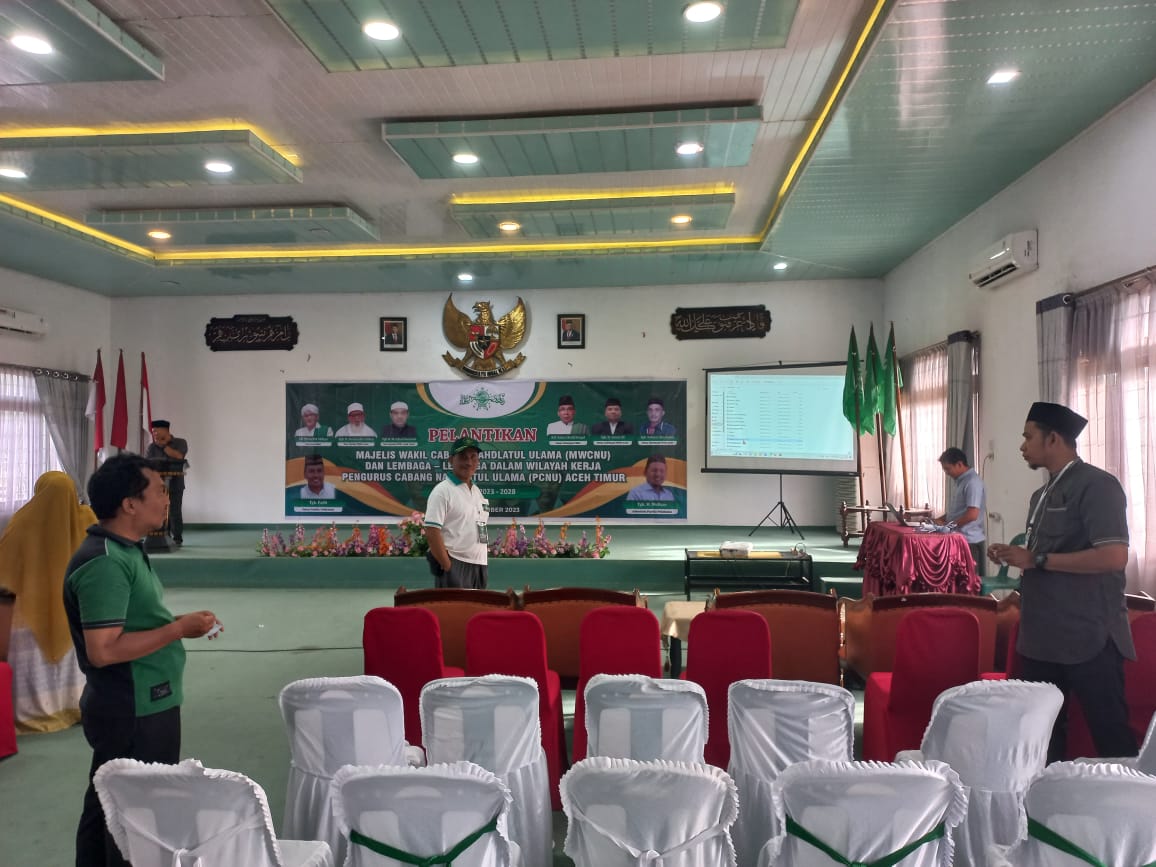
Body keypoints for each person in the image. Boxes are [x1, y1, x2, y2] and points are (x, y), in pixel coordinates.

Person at [64, 453, 220, 866]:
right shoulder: (105, 563)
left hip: (147, 699)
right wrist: (176, 629)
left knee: (110, 804)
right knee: (134, 816)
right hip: (133, 706)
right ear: (129, 504)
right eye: (158, 491)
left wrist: (176, 624)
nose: (167, 500)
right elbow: (104, 650)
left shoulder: (125, 551)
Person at [988, 401, 1137, 763]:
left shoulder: (1098, 485)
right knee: (1040, 739)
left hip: (1088, 638)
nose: (1022, 446)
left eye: (1028, 436)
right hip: (1042, 639)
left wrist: (1037, 559)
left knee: (1111, 738)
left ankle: (1133, 815)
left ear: (1053, 439)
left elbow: (1114, 557)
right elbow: (1043, 559)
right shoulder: (1043, 494)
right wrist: (1016, 556)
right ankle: (1044, 814)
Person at [0, 472, 93, 733]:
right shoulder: (86, 520)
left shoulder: (22, 521)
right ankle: (75, 705)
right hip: (77, 609)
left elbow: (5, 571)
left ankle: (34, 710)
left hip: (30, 612)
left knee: (25, 645)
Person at [424, 436, 489, 589]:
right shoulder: (442, 491)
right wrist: (448, 567)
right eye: (463, 457)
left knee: (476, 611)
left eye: (473, 457)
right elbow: (432, 531)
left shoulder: (477, 491)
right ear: (451, 460)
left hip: (479, 564)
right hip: (455, 563)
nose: (469, 462)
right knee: (454, 612)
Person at [936, 447, 986, 573]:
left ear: (959, 464)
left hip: (969, 542)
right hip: (959, 539)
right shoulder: (961, 482)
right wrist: (939, 520)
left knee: (968, 584)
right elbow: (958, 511)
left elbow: (972, 515)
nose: (946, 473)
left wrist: (947, 526)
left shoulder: (972, 482)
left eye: (948, 469)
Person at [144, 419, 187, 547]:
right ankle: (163, 536)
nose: (154, 434)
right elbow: (147, 464)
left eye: (156, 431)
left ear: (165, 430)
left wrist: (164, 447)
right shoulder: (152, 447)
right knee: (159, 510)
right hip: (157, 486)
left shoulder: (180, 442)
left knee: (175, 511)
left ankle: (177, 538)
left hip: (175, 484)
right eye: (153, 431)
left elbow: (180, 457)